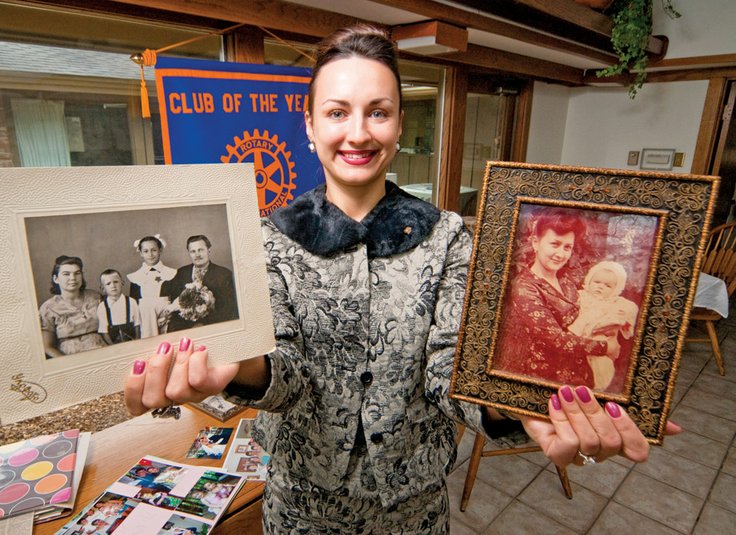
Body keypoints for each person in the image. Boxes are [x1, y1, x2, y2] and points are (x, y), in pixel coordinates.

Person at [125, 24, 679, 534]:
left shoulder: (447, 238)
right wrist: (237, 365)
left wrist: (517, 403)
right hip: (301, 507)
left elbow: (447, 369)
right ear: (311, 125)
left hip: (412, 509)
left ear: (398, 124)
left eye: (379, 112)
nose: (358, 133)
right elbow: (286, 375)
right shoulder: (270, 240)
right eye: (338, 112)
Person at [493, 208, 615, 387]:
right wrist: (605, 347)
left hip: (580, 374)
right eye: (555, 244)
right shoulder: (525, 288)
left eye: (568, 247)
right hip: (545, 380)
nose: (561, 254)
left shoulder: (565, 278)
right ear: (535, 242)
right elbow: (556, 340)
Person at [569, 260, 640, 391]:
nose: (600, 287)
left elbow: (631, 309)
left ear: (616, 289)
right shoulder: (581, 296)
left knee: (601, 367)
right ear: (589, 280)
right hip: (579, 339)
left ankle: (598, 388)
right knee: (575, 366)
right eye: (597, 282)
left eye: (608, 286)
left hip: (601, 340)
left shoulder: (616, 302)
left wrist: (622, 319)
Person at [160, 234, 239, 332]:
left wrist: (203, 324)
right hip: (184, 326)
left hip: (212, 325)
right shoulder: (182, 272)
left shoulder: (224, 274)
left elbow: (228, 309)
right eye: (193, 251)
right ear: (189, 253)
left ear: (208, 250)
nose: (197, 255)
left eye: (200, 250)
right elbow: (169, 291)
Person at [39, 255, 105, 358]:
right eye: (66, 274)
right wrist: (68, 363)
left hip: (102, 351)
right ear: (56, 279)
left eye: (77, 273)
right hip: (69, 357)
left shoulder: (96, 297)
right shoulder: (48, 308)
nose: (73, 278)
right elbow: (47, 346)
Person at [127, 235, 177, 338]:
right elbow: (134, 304)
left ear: (160, 250)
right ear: (141, 253)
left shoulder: (171, 273)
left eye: (153, 250)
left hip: (168, 318)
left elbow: (176, 299)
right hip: (144, 321)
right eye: (146, 251)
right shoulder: (136, 277)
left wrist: (166, 317)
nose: (150, 254)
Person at [97, 269, 141, 345]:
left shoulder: (131, 302)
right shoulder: (102, 307)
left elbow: (137, 325)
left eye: (116, 282)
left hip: (132, 341)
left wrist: (136, 342)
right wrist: (113, 347)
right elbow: (104, 331)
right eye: (108, 284)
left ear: (122, 283)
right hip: (113, 343)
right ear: (103, 288)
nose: (113, 286)